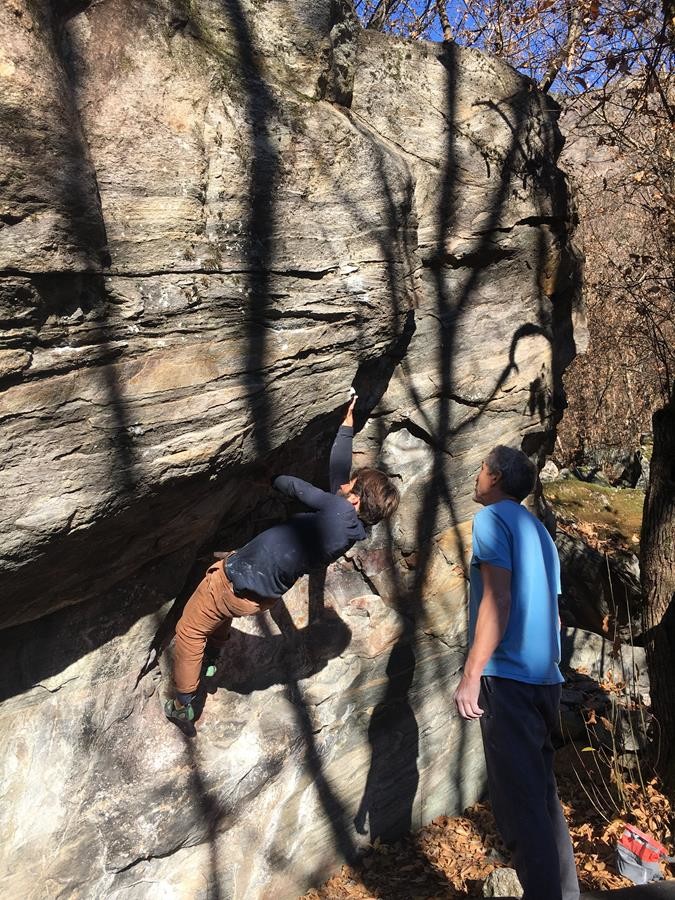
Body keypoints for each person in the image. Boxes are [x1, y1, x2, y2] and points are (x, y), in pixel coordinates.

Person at [165, 395, 400, 726]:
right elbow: (338, 474)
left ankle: (184, 703)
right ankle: (212, 659)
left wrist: (271, 479)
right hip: (261, 595)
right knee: (220, 613)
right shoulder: (351, 528)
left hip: (234, 581)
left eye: (351, 485)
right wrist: (346, 426)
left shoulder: (337, 510)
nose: (344, 484)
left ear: (355, 500)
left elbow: (299, 489)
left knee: (190, 630)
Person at [453, 445, 579, 900]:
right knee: (542, 800)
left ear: (497, 477)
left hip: (509, 681)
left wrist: (472, 673)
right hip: (545, 680)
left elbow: (498, 599)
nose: (477, 475)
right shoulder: (540, 532)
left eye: (482, 468)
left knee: (519, 810)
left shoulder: (491, 520)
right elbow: (555, 616)